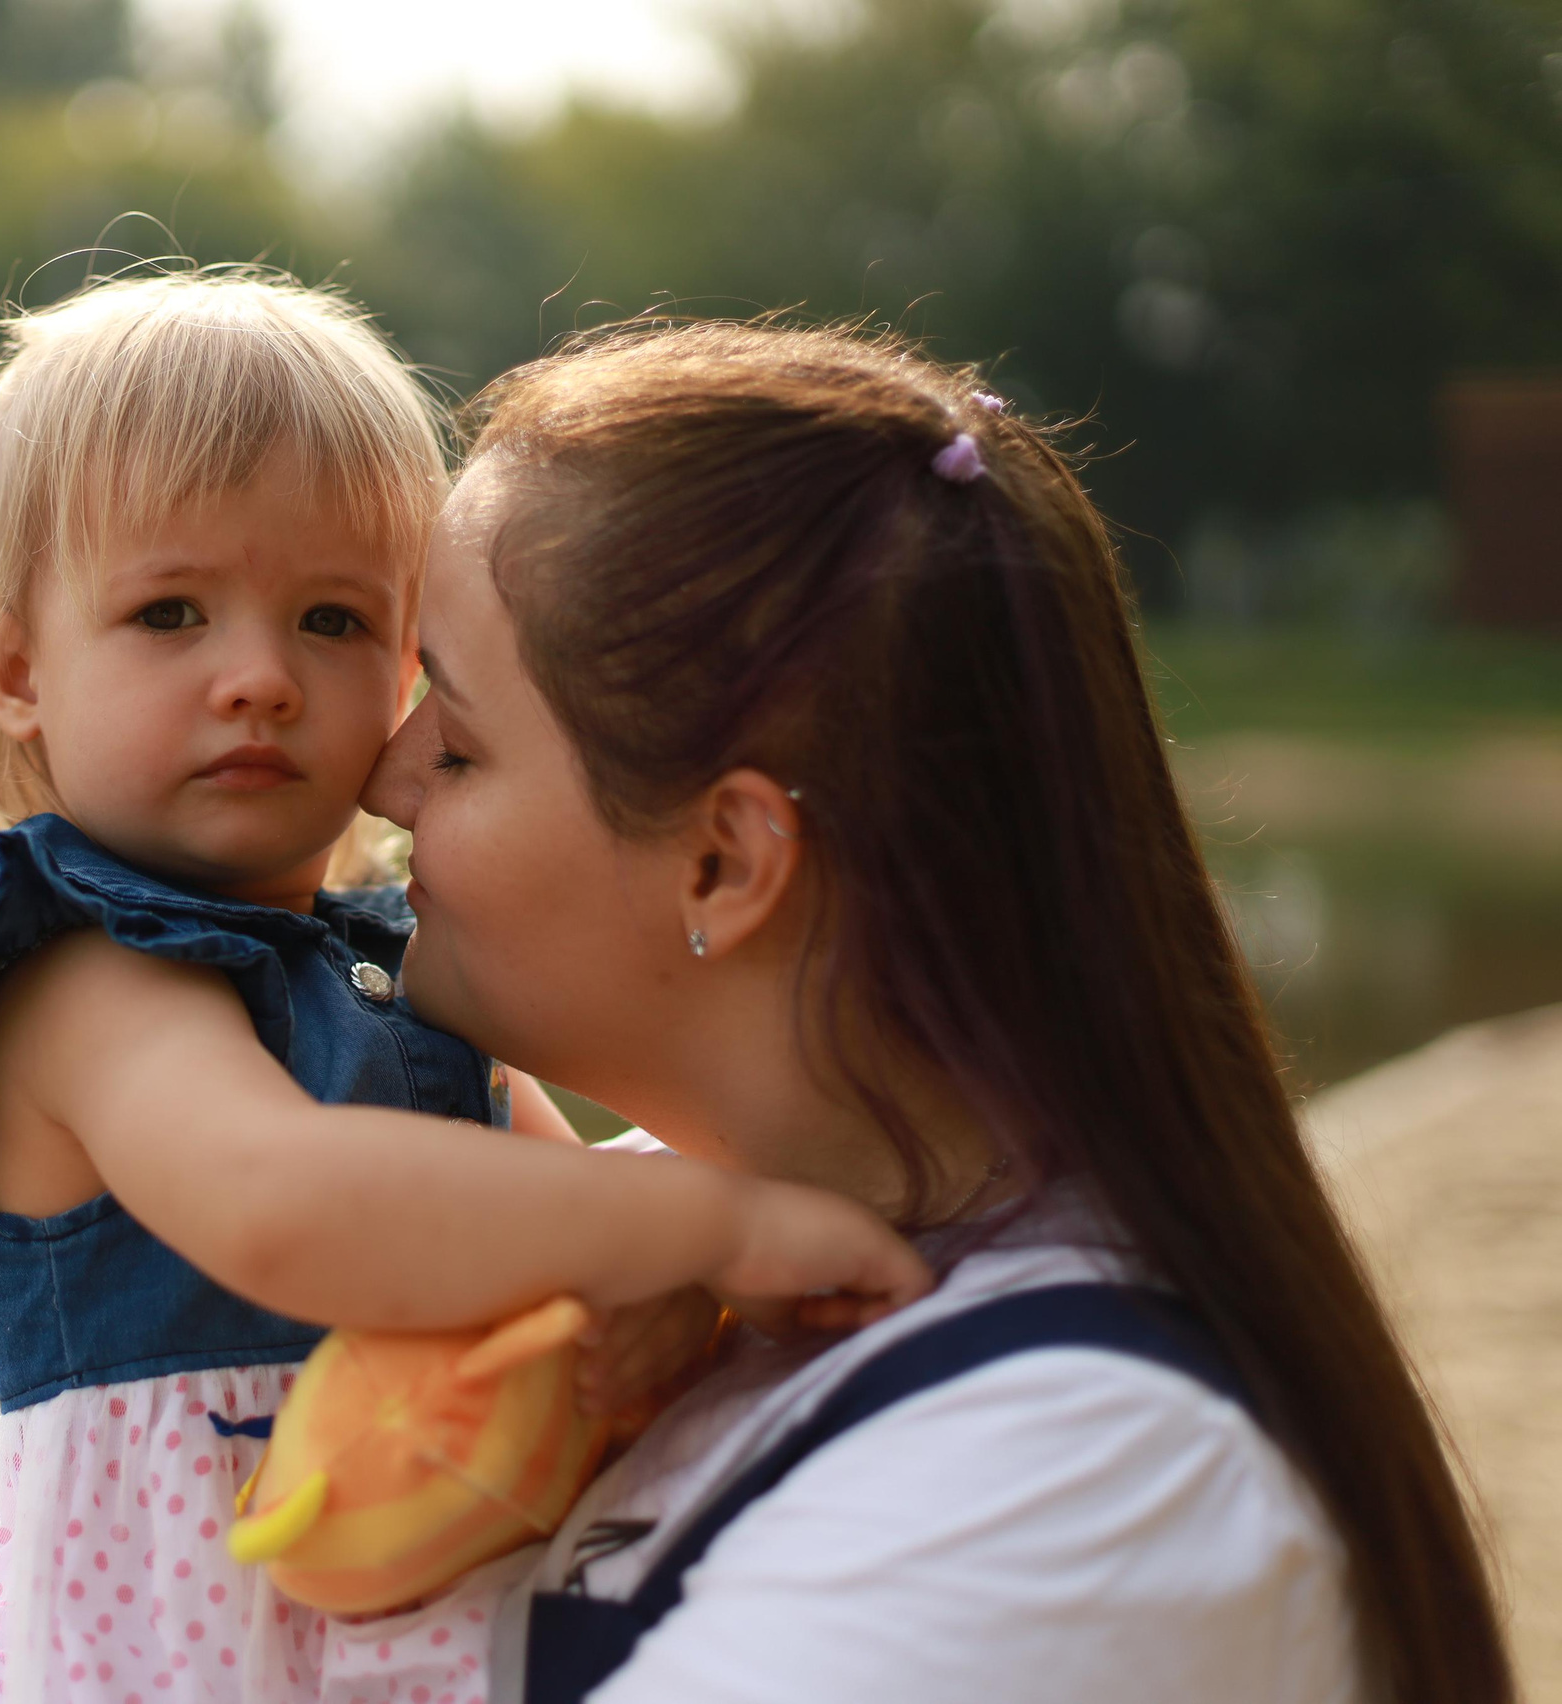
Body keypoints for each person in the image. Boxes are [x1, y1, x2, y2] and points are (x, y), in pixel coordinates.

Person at [353, 318, 1513, 1703]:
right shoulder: (681, 1241)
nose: (383, 777)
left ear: (726, 861)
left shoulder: (1085, 1478)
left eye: (462, 740)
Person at [0, 274, 930, 1704]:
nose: (260, 678)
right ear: (17, 671)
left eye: (334, 622)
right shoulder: (84, 983)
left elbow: (557, 1210)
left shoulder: (396, 986)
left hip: (416, 1610)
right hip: (169, 1646)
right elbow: (287, 1205)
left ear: (410, 663)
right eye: (172, 612)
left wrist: (662, 1287)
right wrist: (708, 1218)